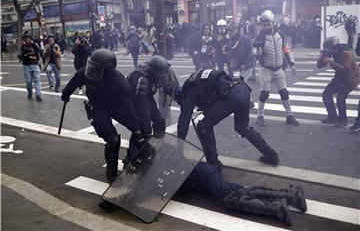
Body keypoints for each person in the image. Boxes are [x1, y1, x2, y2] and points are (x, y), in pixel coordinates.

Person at [61, 49, 152, 183]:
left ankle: (132, 158)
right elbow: (74, 82)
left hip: (116, 107)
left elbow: (129, 109)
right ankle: (112, 173)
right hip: (98, 107)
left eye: (95, 68)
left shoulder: (120, 83)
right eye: (91, 65)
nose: (91, 70)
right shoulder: (86, 72)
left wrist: (137, 130)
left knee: (141, 132)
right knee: (113, 139)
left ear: (107, 70)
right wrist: (65, 94)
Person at [175, 68, 280, 172]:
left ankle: (214, 166)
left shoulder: (189, 91)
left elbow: (184, 121)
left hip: (232, 95)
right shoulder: (197, 80)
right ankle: (271, 155)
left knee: (203, 126)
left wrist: (179, 146)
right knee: (243, 128)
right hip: (243, 90)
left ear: (181, 95)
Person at [179, 161, 307, 226]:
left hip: (202, 175)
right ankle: (291, 195)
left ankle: (276, 208)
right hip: (203, 176)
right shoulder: (164, 153)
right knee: (240, 191)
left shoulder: (163, 159)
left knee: (229, 198)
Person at [254, 10, 299, 127]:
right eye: (264, 25)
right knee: (264, 94)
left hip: (279, 69)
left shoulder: (280, 35)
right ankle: (260, 116)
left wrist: (292, 64)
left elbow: (286, 50)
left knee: (284, 93)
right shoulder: (259, 37)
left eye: (268, 24)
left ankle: (289, 116)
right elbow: (254, 51)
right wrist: (257, 52)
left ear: (273, 23)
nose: (266, 27)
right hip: (265, 69)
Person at [127, 55, 179, 141]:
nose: (164, 77)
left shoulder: (151, 77)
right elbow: (142, 110)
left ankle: (157, 146)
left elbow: (148, 99)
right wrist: (147, 131)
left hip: (146, 97)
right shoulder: (142, 81)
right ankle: (136, 152)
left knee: (160, 122)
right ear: (153, 73)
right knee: (141, 133)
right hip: (132, 103)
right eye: (161, 75)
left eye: (166, 73)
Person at [317, 36, 360, 127]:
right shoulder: (332, 53)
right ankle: (333, 117)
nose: (329, 50)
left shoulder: (346, 53)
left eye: (329, 48)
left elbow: (345, 70)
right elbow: (319, 66)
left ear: (335, 47)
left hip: (350, 78)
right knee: (326, 94)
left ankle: (343, 119)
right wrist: (322, 58)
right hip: (340, 77)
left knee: (340, 97)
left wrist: (332, 62)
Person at [18, 31, 43, 101]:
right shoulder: (22, 47)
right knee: (28, 81)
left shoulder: (34, 45)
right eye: (25, 38)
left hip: (35, 65)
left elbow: (41, 51)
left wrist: (44, 53)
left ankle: (38, 95)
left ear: (30, 38)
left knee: (37, 80)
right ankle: (30, 92)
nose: (27, 39)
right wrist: (24, 52)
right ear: (23, 39)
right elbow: (19, 55)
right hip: (26, 66)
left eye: (28, 38)